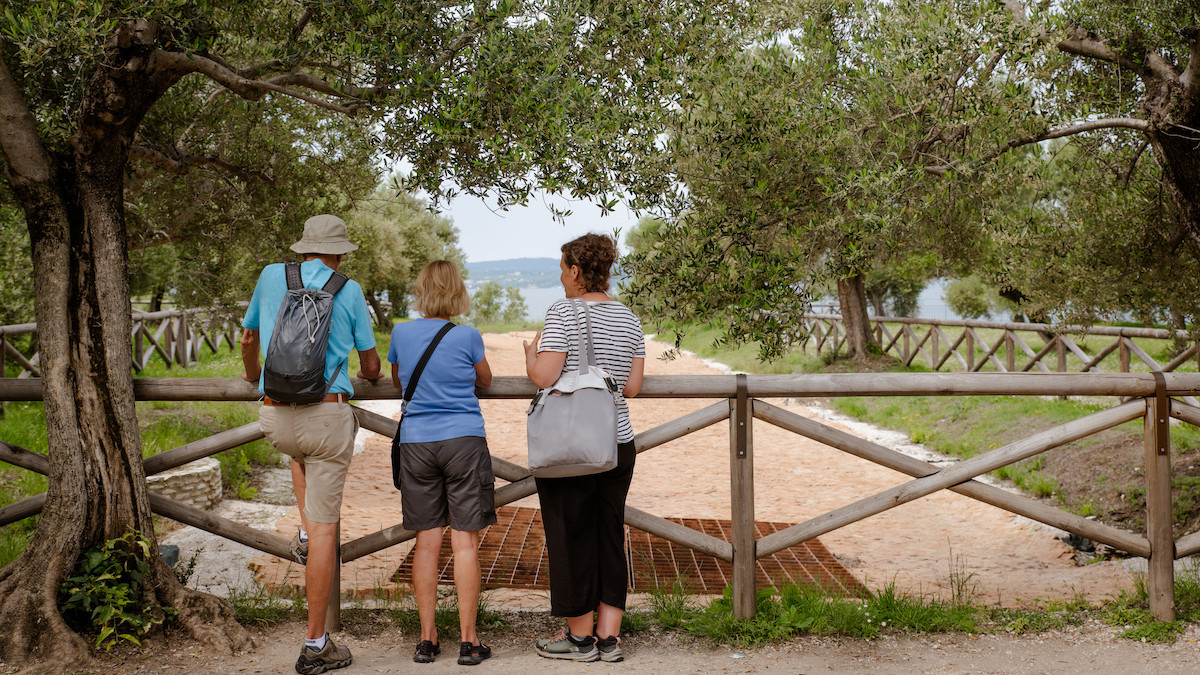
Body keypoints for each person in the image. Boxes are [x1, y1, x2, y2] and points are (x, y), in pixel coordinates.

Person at [239, 214, 382, 675]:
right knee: (326, 530)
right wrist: (372, 375)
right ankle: (316, 643)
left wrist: (250, 375)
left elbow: (248, 337)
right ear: (338, 252)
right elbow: (371, 362)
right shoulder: (350, 289)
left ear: (304, 249)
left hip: (275, 416)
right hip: (327, 414)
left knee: (298, 455)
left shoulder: (268, 275)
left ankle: (301, 531)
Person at [523, 233, 645, 663]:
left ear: (575, 270)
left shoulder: (562, 312)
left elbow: (544, 376)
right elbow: (631, 386)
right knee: (610, 535)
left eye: (562, 269)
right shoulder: (629, 317)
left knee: (571, 536)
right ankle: (610, 638)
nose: (560, 277)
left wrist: (529, 355)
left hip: (571, 446)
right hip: (617, 442)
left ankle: (579, 640)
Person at [389, 260, 496, 666]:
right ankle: (469, 642)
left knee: (427, 544)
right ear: (457, 293)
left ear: (421, 291)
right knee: (465, 541)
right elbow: (484, 379)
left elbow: (399, 380)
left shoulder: (401, 332)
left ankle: (427, 639)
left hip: (417, 442)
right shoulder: (467, 335)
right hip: (463, 441)